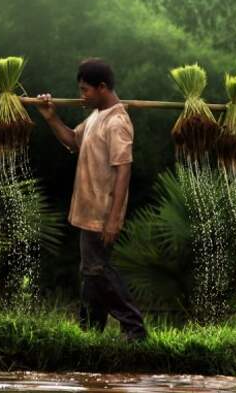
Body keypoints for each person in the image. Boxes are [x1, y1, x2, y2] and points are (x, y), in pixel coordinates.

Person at [35, 58, 147, 341]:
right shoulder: (96, 116)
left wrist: (113, 218)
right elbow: (73, 141)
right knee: (91, 271)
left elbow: (124, 170)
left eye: (85, 90)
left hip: (103, 211)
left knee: (97, 270)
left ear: (102, 87)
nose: (81, 96)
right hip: (87, 208)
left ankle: (133, 327)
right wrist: (51, 117)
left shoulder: (118, 122)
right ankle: (90, 331)